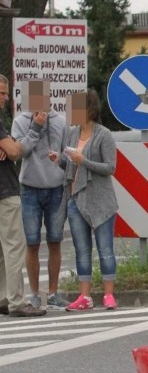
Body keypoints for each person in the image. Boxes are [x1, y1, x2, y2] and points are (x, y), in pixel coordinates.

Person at [50, 89, 119, 311]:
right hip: (75, 198)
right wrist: (60, 160)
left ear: (88, 109)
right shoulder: (71, 133)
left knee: (105, 249)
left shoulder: (104, 134)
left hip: (101, 201)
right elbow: (71, 165)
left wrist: (84, 160)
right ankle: (85, 296)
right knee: (82, 250)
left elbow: (110, 168)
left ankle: (109, 295)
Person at [12, 91, 70, 310]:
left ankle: (53, 293)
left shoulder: (61, 122)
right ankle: (35, 294)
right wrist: (35, 127)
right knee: (32, 243)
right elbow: (20, 152)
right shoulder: (19, 122)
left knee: (55, 241)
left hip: (56, 188)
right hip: (29, 188)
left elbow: (66, 155)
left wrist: (62, 161)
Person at [0, 74, 46, 317]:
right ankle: (17, 302)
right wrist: (31, 132)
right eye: (1, 93)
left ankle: (3, 297)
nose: (6, 98)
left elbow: (10, 149)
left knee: (1, 249)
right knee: (14, 247)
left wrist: (10, 146)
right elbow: (15, 152)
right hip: (5, 191)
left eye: (7, 93)